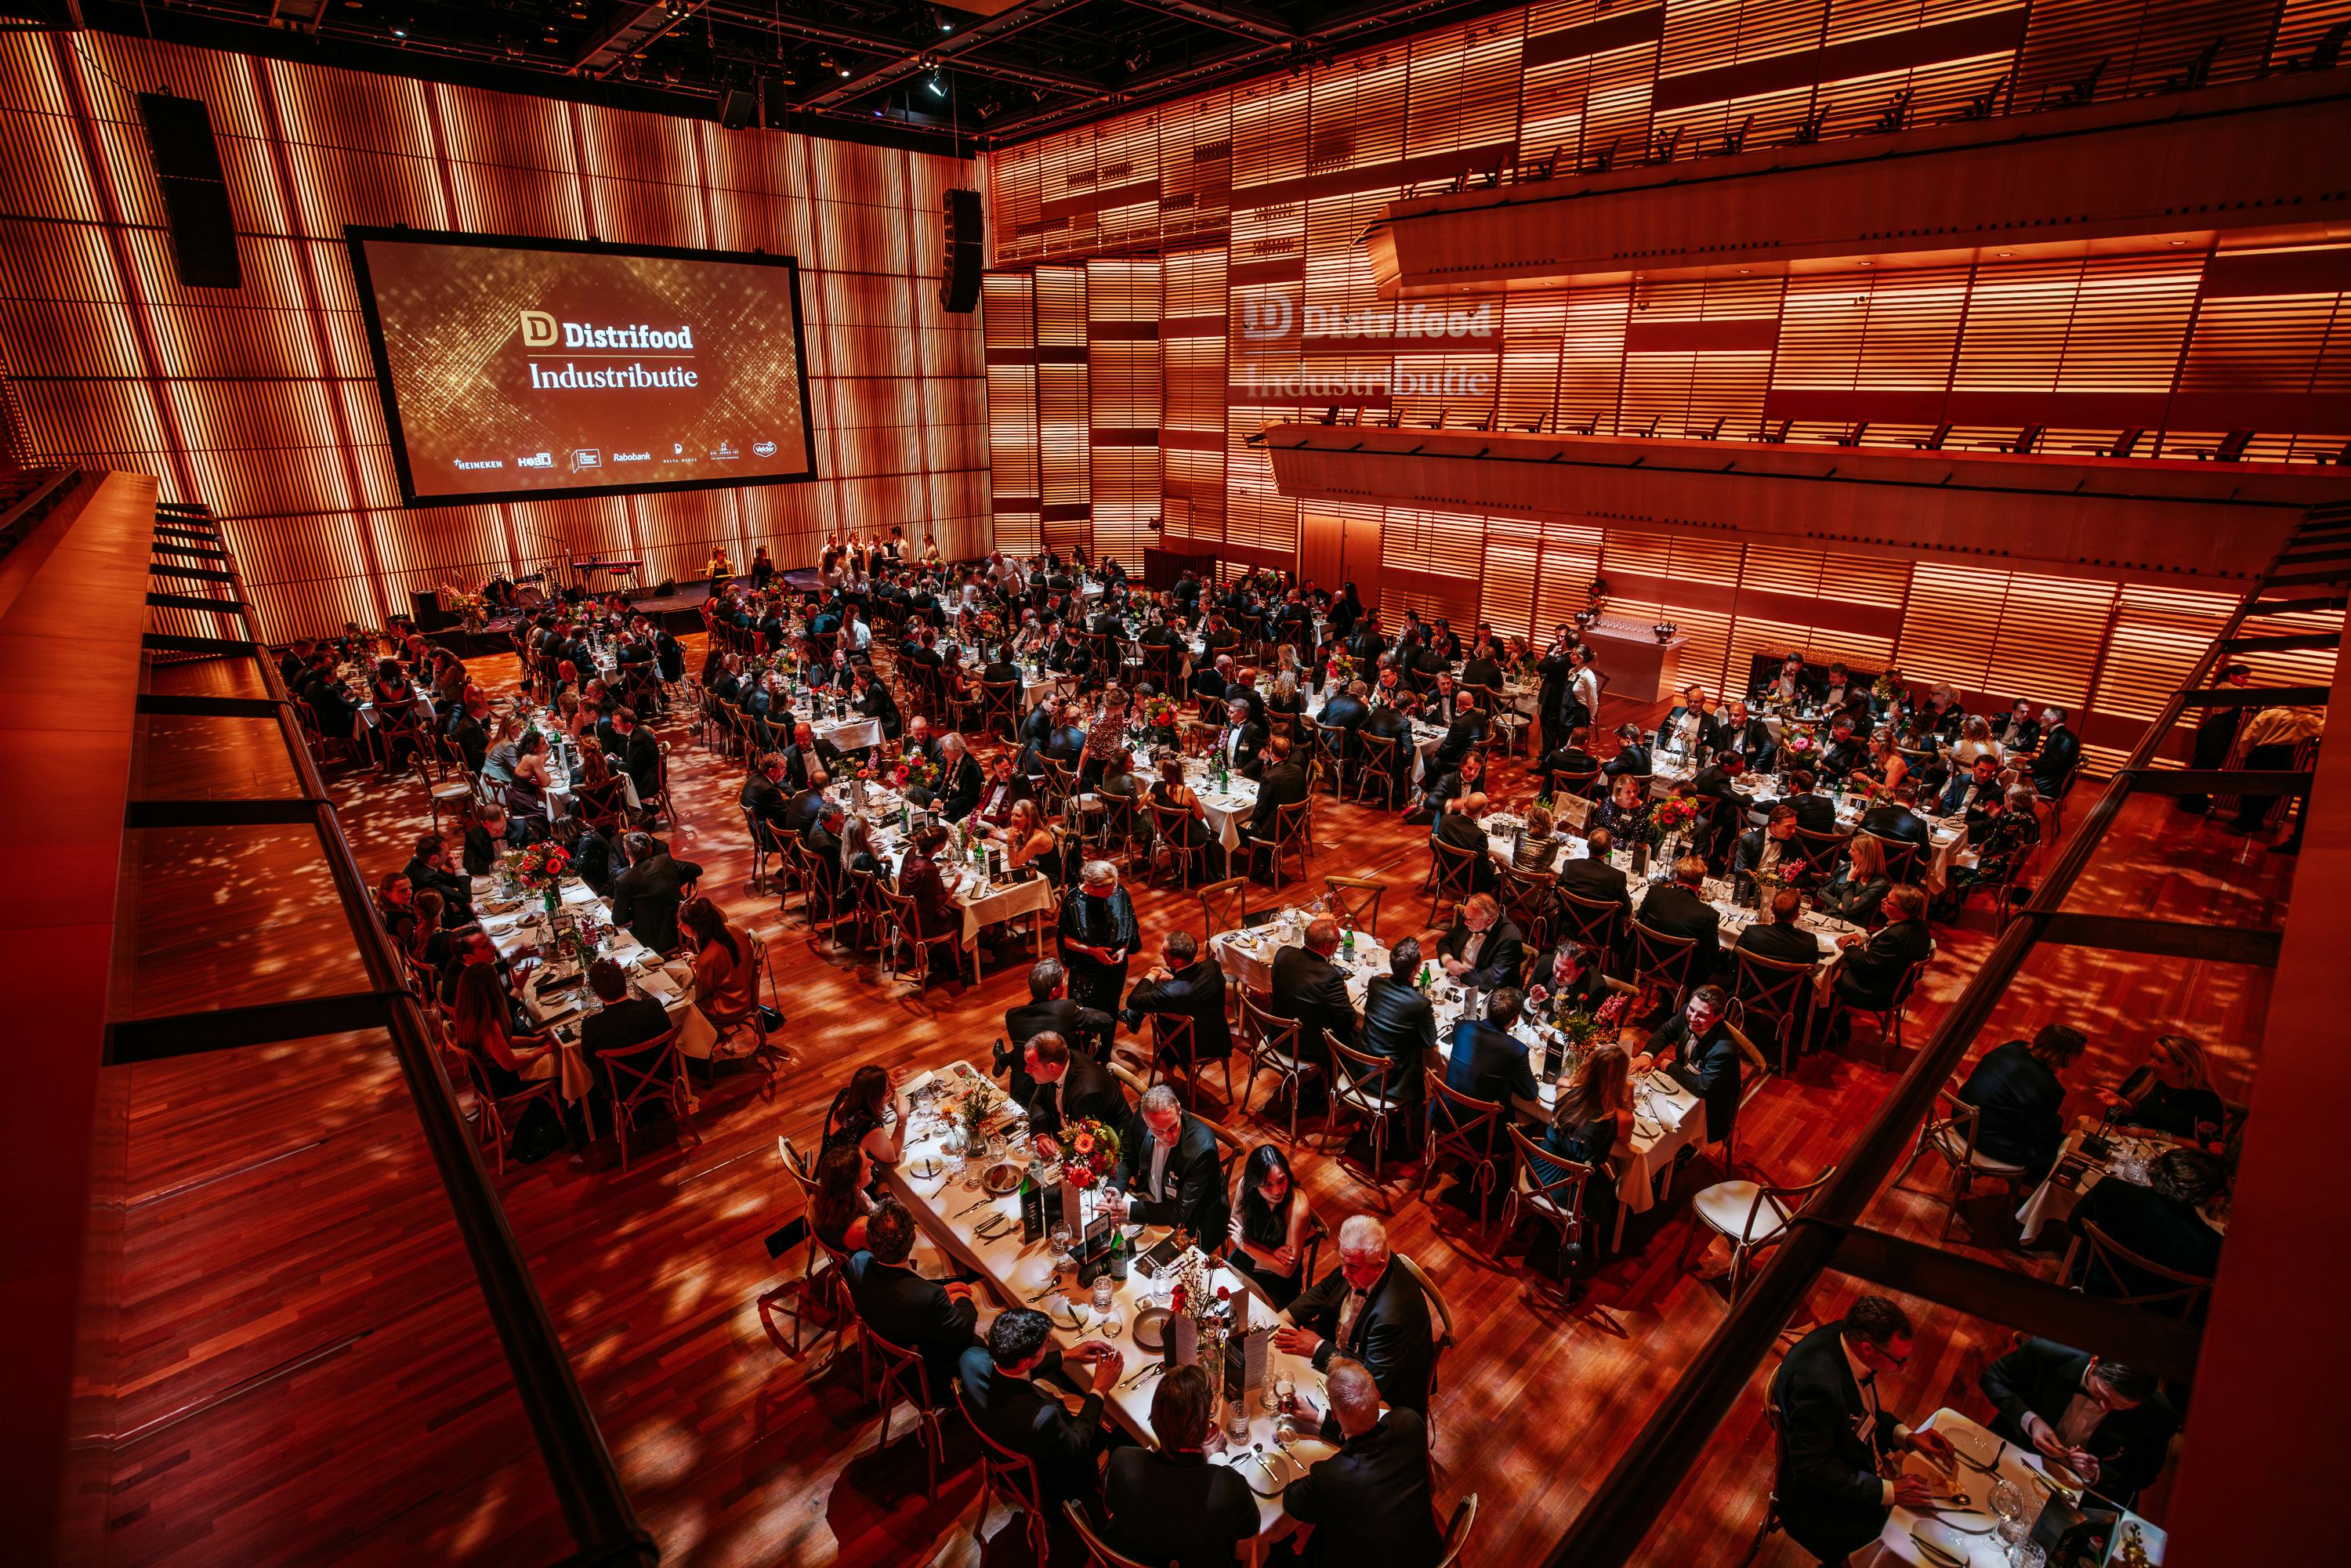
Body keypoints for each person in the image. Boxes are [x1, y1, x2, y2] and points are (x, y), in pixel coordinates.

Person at [1773, 1295, 1957, 1564]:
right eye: (1900, 1360)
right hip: (1819, 1502)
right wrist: (1890, 1491)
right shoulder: (1818, 1388)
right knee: (1911, 1551)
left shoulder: (1847, 1337)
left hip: (1857, 1466)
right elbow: (1811, 1466)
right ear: (1868, 1349)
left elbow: (1861, 1414)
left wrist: (1908, 1438)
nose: (1905, 1368)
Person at [1277, 1356, 1443, 1568]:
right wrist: (1317, 1417)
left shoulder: (1333, 1477)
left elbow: (1293, 1501)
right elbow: (1366, 1428)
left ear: (1335, 1416)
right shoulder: (1408, 1421)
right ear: (1377, 1396)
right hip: (1426, 1555)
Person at [1275, 1216, 1433, 1432]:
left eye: (1351, 1267)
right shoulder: (1361, 1259)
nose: (1344, 1272)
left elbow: (1370, 1386)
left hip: (1382, 1397)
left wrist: (1318, 1348)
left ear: (1379, 1266)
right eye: (1342, 1261)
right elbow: (1323, 1291)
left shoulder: (1393, 1318)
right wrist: (1276, 1320)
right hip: (1344, 1352)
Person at [1979, 1340, 2179, 1507]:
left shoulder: (2160, 1417)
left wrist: (2097, 1474)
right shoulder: (2048, 1349)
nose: (2105, 1407)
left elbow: (2143, 1476)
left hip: (2074, 1494)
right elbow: (1993, 1379)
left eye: (2121, 1407)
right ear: (2094, 1362)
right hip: (2013, 1450)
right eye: (2102, 1395)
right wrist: (2031, 1421)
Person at [957, 1308, 1124, 1505]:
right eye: (1045, 1343)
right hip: (1053, 1479)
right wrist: (1099, 1389)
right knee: (1122, 1430)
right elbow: (1076, 1447)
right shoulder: (1043, 1418)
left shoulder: (970, 1359)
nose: (1050, 1342)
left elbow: (1014, 1372)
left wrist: (1067, 1355)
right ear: (1026, 1362)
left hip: (1001, 1445)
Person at [1102, 1363, 1260, 1568]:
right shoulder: (1227, 1488)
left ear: (1156, 1417)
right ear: (1204, 1428)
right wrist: (1217, 1458)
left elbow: (1113, 1502)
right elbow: (1250, 1527)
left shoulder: (1123, 1461)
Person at [844, 1197, 981, 1398]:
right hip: (930, 1377)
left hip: (891, 1351)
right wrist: (962, 1299)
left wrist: (940, 1292)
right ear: (914, 1236)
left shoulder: (857, 1262)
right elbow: (963, 1331)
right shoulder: (927, 1298)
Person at [2067, 1147, 2227, 1307]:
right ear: (2209, 1194)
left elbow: (2075, 1224)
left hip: (2094, 1290)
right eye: (2225, 1192)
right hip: (2153, 1320)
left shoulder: (2110, 1190)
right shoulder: (2214, 1248)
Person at [1525, 1041, 1633, 1267]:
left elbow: (1568, 1083)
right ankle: (1596, 1249)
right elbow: (1626, 1142)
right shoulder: (1620, 1118)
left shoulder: (1564, 1088)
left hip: (1539, 1170)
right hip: (1570, 1188)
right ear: (1620, 1079)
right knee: (1617, 1195)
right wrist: (1626, 1097)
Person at [1954, 1022, 2087, 1180]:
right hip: (1984, 1141)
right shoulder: (2048, 1087)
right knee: (2060, 1151)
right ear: (2069, 1057)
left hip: (1960, 1119)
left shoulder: (2013, 1047)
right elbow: (2040, 1131)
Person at [1111, 1085, 1229, 1240]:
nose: (1168, 1136)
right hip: (1151, 1202)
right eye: (1158, 1131)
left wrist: (1127, 1209)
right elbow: (1127, 1160)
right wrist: (1114, 1191)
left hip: (1193, 1221)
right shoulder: (1141, 1117)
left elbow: (1179, 1213)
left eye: (1173, 1127)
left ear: (1179, 1109)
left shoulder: (1201, 1149)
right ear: (1147, 1122)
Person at [1634, 984, 1742, 1153]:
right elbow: (1666, 1031)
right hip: (1683, 1084)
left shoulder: (1723, 1051)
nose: (1693, 1018)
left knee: (1654, 1129)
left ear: (1718, 1017)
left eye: (1702, 1015)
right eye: (1692, 1010)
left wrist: (1670, 1067)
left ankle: (1669, 1156)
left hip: (1708, 1108)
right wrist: (1647, 1054)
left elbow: (1702, 1088)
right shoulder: (1689, 1012)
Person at [1119, 928, 1232, 1068]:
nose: (1160, 953)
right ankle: (1133, 1018)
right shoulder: (1213, 967)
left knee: (1156, 988)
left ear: (1178, 962)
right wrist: (1172, 978)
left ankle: (1133, 1018)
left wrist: (1153, 974)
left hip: (1189, 1049)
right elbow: (1191, 987)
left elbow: (1133, 1001)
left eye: (1164, 953)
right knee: (1164, 986)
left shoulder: (1171, 993)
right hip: (1220, 1041)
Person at [1226, 1144, 1315, 1309]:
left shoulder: (1298, 1206)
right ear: (1255, 1184)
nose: (1277, 1191)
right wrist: (1271, 1253)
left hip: (1278, 1284)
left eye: (1281, 1180)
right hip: (1244, 1264)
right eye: (1268, 1185)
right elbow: (1233, 1229)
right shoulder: (1245, 1186)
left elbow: (1286, 1270)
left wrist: (1246, 1245)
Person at [2097, 1032, 2226, 1144]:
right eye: (2152, 1056)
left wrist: (2153, 1134)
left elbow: (2204, 1147)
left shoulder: (2207, 1101)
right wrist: (2120, 1103)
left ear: (2184, 1068)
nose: (2152, 1063)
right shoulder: (2145, 1073)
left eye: (2160, 1060)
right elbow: (2136, 1113)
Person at [578, 954, 673, 1101]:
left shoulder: (592, 1026)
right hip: (662, 1074)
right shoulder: (653, 1006)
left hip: (621, 1088)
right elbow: (668, 1032)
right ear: (625, 983)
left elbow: (588, 1060)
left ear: (598, 995)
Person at [1828, 881, 1933, 1012]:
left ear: (1904, 910)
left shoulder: (1895, 937)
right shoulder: (1918, 924)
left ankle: (1824, 1019)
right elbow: (1883, 933)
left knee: (1824, 975)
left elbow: (1865, 962)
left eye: (1889, 901)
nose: (1883, 900)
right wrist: (1862, 936)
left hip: (1874, 991)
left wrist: (1847, 946)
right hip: (1892, 982)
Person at [1012, 1030, 1125, 1143]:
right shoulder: (1059, 1060)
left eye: (1032, 1066)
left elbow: (1081, 1142)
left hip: (1109, 1147)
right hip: (1067, 1133)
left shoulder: (1086, 1093)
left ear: (1052, 1067)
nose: (1026, 1070)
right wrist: (1041, 1135)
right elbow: (1037, 1103)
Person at [1270, 916, 1358, 1059]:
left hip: (1276, 1033)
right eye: (1339, 941)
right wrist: (1343, 992)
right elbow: (1349, 1020)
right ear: (1327, 947)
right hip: (1304, 1048)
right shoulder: (1330, 977)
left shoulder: (1284, 953)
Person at [1058, 860, 1139, 1012]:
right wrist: (1093, 951)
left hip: (1115, 968)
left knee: (1110, 1008)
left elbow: (1129, 928)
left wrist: (1123, 949)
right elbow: (1066, 941)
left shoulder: (1119, 893)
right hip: (1086, 969)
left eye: (1114, 887)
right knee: (1082, 1011)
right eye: (1107, 891)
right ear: (1091, 887)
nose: (1112, 893)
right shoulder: (1073, 902)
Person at [610, 831, 703, 954]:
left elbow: (619, 919)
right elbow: (697, 870)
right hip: (682, 929)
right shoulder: (665, 861)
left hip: (651, 943)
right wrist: (671, 882)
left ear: (627, 854)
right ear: (650, 849)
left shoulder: (624, 881)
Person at [1004, 958, 1114, 1061]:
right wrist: (1078, 1011)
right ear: (1055, 991)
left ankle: (1003, 1059)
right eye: (1062, 981)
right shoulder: (1066, 1010)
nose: (1064, 984)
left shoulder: (1012, 1016)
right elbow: (1106, 1021)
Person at [1637, 855, 1720, 976]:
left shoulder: (1654, 893)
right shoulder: (1709, 915)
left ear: (1676, 876)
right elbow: (1713, 955)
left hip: (1645, 961)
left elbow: (1639, 921)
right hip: (1681, 974)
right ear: (1701, 882)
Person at [823, 1063, 915, 1171]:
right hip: (846, 1182)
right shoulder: (869, 1127)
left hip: (824, 1172)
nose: (894, 1090)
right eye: (888, 1090)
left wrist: (879, 1078)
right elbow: (893, 1156)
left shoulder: (845, 1095)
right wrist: (902, 1118)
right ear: (875, 1099)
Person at [1239, 731, 1310, 856]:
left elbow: (1260, 811)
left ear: (1271, 753)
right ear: (1288, 753)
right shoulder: (1299, 770)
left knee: (1237, 827)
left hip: (1274, 831)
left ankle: (1263, 858)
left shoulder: (1269, 777)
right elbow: (1303, 794)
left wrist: (1245, 819)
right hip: (1295, 825)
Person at [1436, 892, 1524, 991]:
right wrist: (1449, 961)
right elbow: (1444, 942)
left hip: (1487, 992)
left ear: (1490, 920)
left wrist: (1459, 972)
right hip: (1456, 982)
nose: (1465, 922)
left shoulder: (1510, 939)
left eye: (1471, 920)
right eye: (1465, 917)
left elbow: (1492, 980)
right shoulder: (1470, 916)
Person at [1816, 831, 1894, 927]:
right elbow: (1822, 891)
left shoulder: (1878, 884)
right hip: (1830, 916)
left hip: (1851, 927)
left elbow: (1849, 910)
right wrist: (1839, 905)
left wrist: (1850, 880)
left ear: (1864, 855)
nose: (1849, 852)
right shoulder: (1848, 868)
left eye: (1853, 850)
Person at [808, 1143, 875, 1255]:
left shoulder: (830, 1193)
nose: (871, 1162)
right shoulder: (859, 1227)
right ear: (854, 1184)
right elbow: (884, 1256)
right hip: (859, 1262)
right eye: (866, 1167)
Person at [1429, 788, 1497, 895]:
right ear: (1481, 812)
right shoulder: (1479, 835)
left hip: (1444, 876)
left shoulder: (1445, 820)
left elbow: (1433, 844)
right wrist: (1493, 862)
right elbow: (1485, 871)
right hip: (1468, 885)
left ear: (1464, 804)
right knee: (1501, 877)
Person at [1737, 887, 1824, 966]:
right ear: (1797, 915)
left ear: (1772, 909)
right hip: (1791, 983)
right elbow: (1812, 966)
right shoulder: (1809, 941)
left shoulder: (1751, 932)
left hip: (1750, 982)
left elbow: (1734, 961)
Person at [2031, 705, 2082, 802]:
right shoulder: (2060, 734)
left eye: (2044, 716)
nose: (2040, 718)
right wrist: (2033, 760)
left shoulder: (2062, 738)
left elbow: (2053, 764)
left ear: (2053, 720)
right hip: (2052, 780)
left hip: (2051, 785)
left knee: (2012, 781)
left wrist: (2030, 762)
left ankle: (2018, 813)